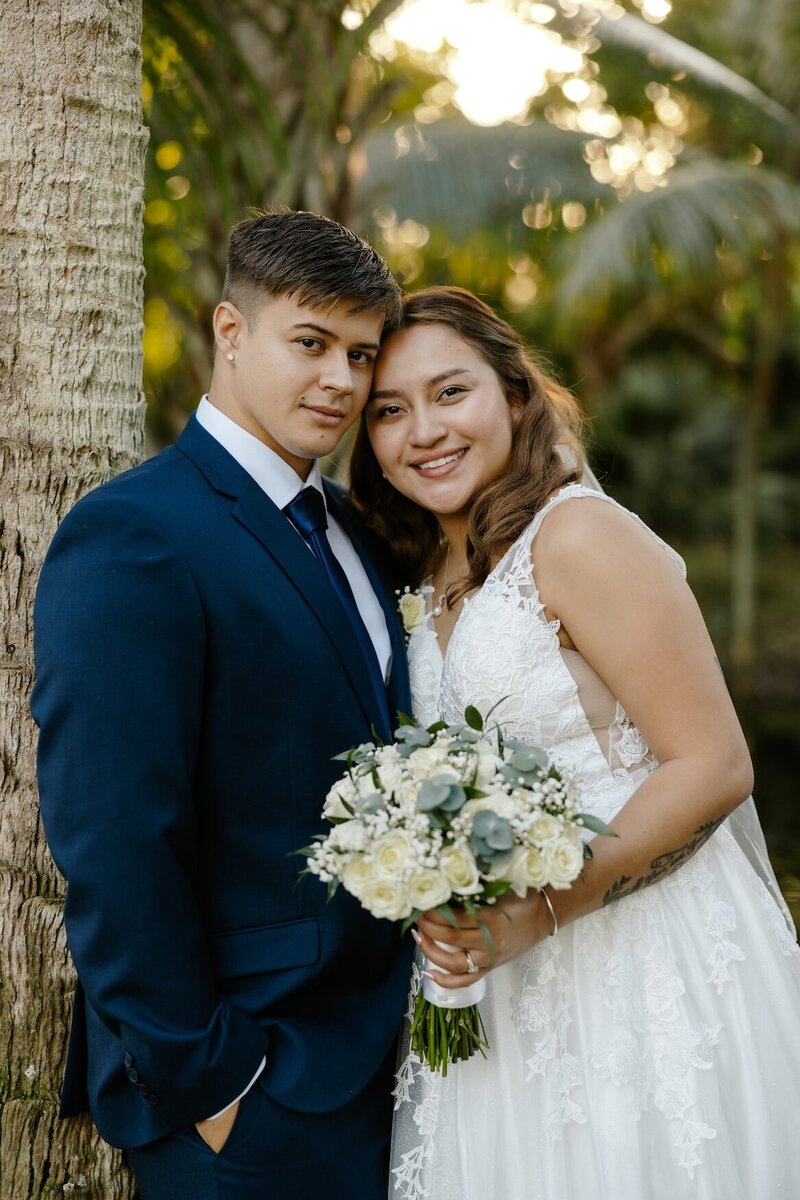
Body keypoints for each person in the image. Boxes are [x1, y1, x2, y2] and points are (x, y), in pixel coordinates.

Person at [349, 285, 800, 1199]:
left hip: (633, 964)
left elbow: (713, 763)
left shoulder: (580, 534)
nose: (422, 430)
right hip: (491, 977)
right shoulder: (425, 570)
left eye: (450, 392)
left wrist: (544, 911)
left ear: (515, 396)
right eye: (389, 411)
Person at [31, 210, 413, 1200]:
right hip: (246, 1089)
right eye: (311, 343)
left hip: (383, 1064)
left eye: (361, 354)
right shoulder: (134, 532)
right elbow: (115, 835)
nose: (340, 379)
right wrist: (215, 1084)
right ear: (231, 333)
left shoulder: (353, 534)